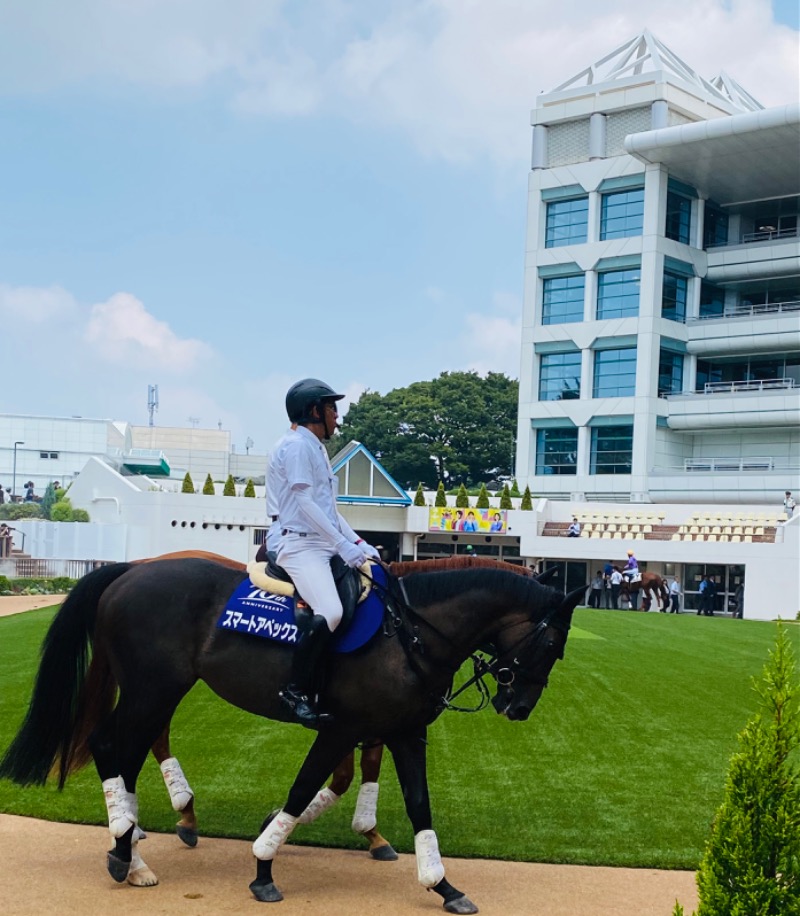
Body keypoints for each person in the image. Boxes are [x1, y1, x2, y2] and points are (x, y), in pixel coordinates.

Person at [271, 378, 381, 728]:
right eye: (333, 408)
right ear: (315, 411)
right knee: (331, 611)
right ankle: (295, 690)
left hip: (319, 540)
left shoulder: (316, 448)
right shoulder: (297, 447)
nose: (338, 416)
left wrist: (358, 543)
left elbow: (328, 509)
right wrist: (341, 546)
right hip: (298, 543)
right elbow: (304, 504)